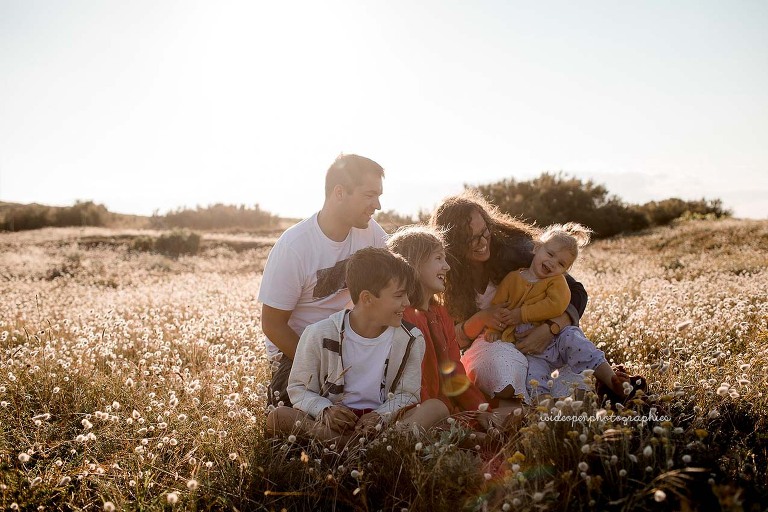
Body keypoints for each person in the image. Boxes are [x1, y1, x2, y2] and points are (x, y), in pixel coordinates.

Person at [265, 248, 449, 442]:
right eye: (398, 296)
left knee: (436, 407)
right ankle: (375, 449)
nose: (407, 302)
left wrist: (381, 417)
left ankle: (348, 448)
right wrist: (325, 410)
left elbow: (408, 394)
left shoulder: (411, 339)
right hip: (334, 423)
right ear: (367, 298)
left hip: (383, 423)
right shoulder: (318, 333)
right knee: (278, 417)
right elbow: (298, 389)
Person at [430, 189, 590, 406]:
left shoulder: (514, 248)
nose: (482, 242)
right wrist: (483, 318)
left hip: (542, 338)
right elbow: (452, 339)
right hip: (491, 343)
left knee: (578, 381)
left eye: (484, 231)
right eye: (471, 239)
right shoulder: (446, 273)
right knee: (504, 377)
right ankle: (526, 402)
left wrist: (549, 328)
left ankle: (536, 402)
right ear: (452, 244)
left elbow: (577, 293)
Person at [258, 154, 388, 407]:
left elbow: (398, 278)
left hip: (353, 344)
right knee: (297, 416)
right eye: (370, 195)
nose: (378, 205)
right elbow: (272, 324)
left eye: (379, 195)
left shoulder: (371, 232)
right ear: (339, 192)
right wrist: (322, 365)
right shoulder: (295, 246)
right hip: (297, 352)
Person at [482, 223, 630, 400]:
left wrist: (521, 314)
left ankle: (611, 379)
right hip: (532, 350)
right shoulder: (513, 278)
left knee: (579, 343)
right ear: (537, 248)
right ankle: (545, 406)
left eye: (561, 263)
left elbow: (556, 305)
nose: (552, 263)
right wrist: (495, 329)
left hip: (559, 338)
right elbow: (499, 304)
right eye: (550, 254)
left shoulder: (557, 282)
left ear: (565, 271)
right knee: (534, 377)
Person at [387, 226, 492, 419]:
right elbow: (411, 382)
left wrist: (481, 410)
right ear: (414, 264)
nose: (447, 266)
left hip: (444, 408)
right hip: (411, 410)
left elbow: (455, 371)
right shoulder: (400, 317)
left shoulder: (441, 314)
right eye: (438, 258)